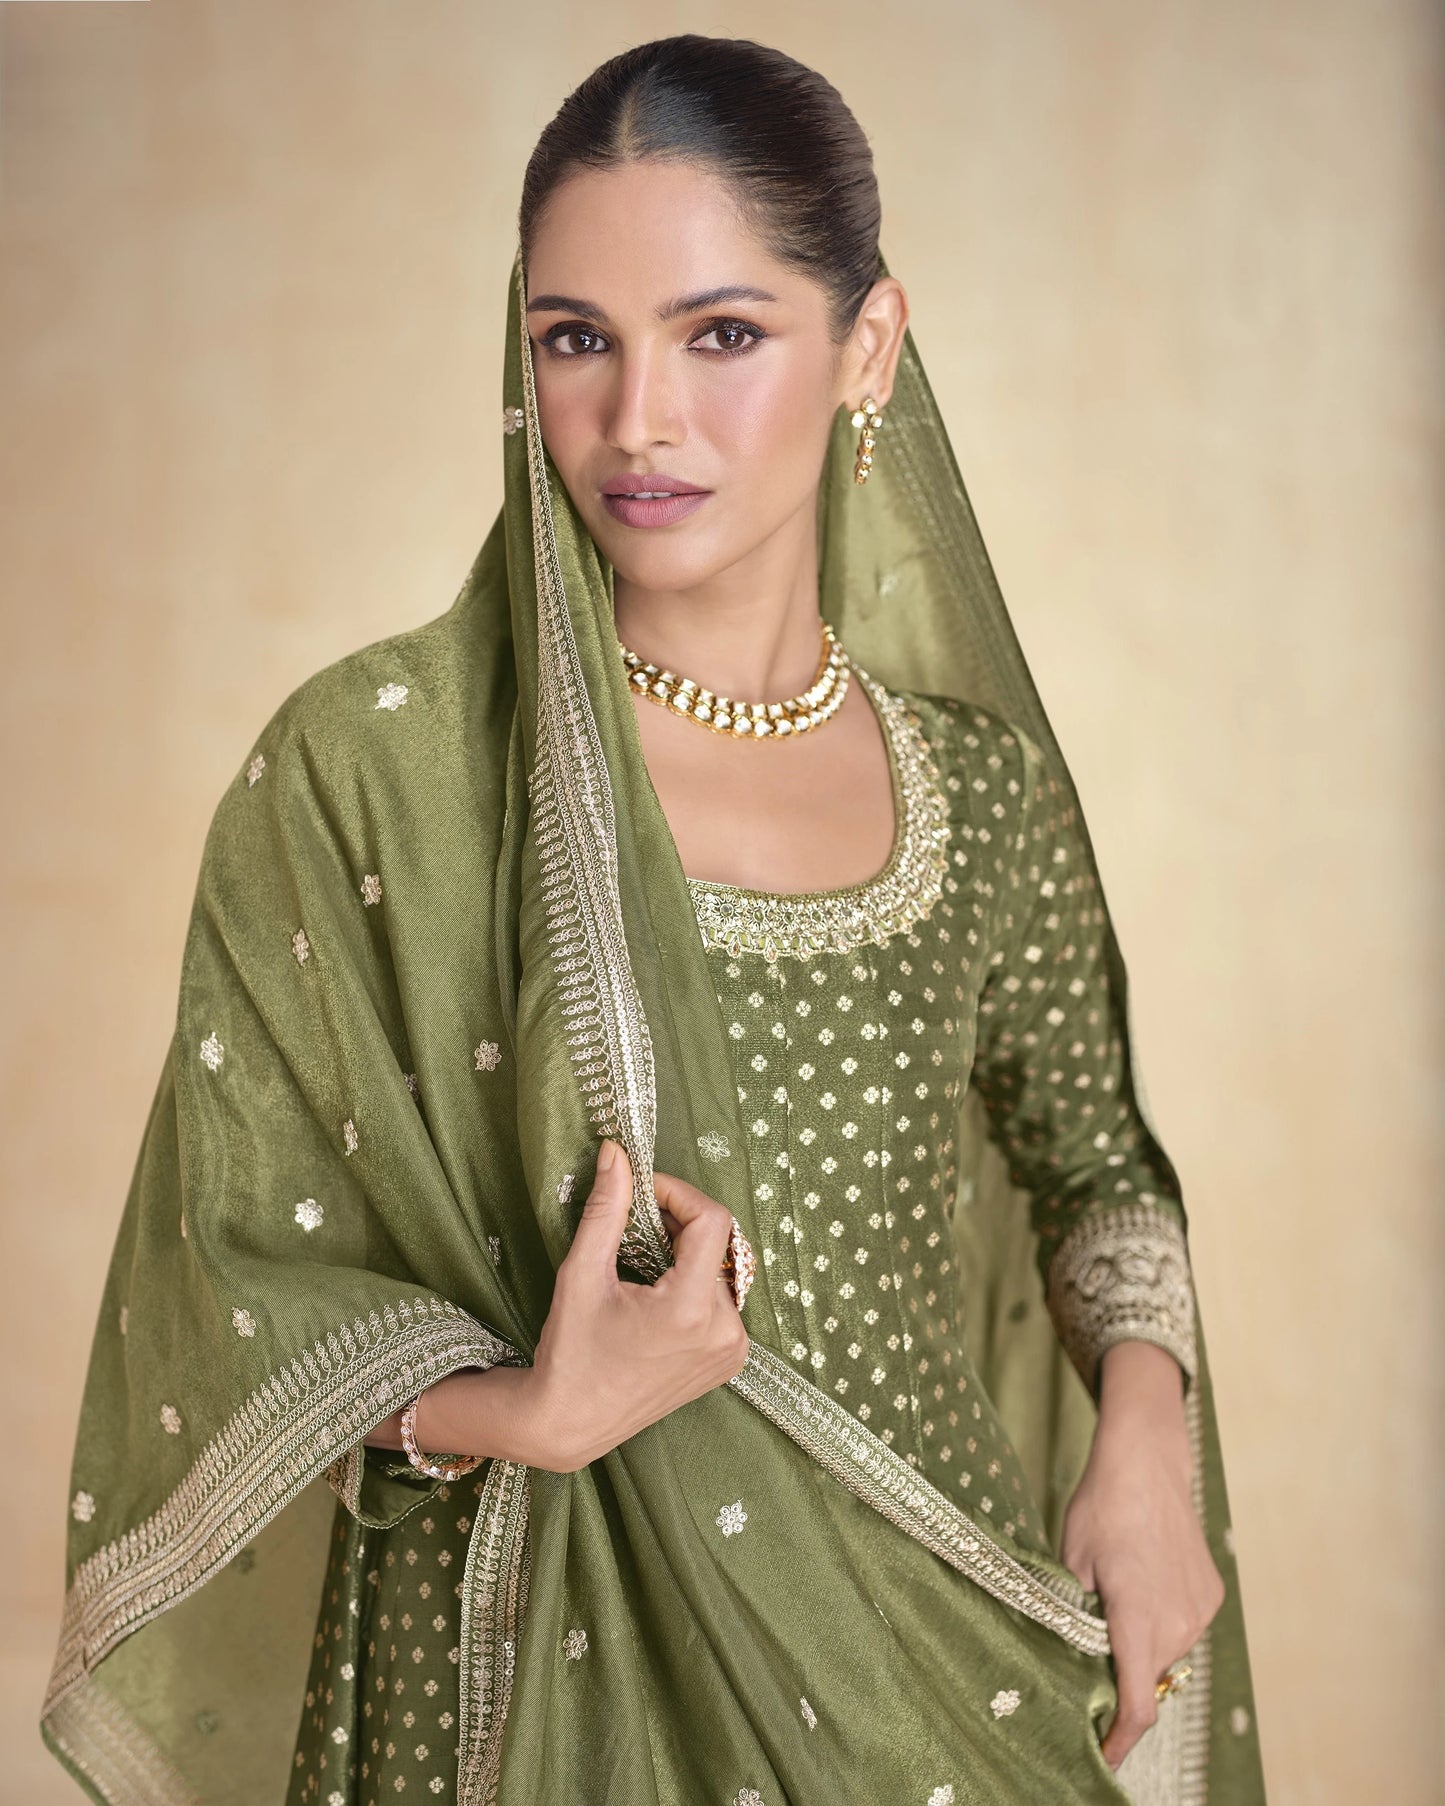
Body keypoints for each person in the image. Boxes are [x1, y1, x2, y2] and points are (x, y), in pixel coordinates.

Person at [39, 34, 1267, 1806]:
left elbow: (1095, 1174)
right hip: (517, 1678)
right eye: (573, 340)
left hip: (933, 1646)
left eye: (721, 334)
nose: (638, 421)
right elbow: (227, 1278)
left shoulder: (978, 794)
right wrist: (527, 1410)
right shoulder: (379, 774)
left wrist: (1141, 1431)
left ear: (868, 346)